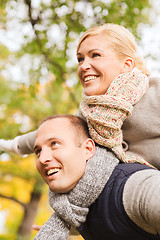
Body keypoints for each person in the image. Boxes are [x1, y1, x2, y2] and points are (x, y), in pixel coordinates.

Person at [0, 23, 158, 169]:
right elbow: (52, 133)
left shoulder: (155, 92)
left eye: (95, 55)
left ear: (126, 65)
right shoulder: (89, 113)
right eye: (80, 59)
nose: (84, 66)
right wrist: (10, 145)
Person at [33, 114, 160, 240]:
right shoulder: (75, 207)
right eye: (38, 151)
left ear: (87, 149)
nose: (43, 159)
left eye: (55, 144)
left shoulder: (136, 188)